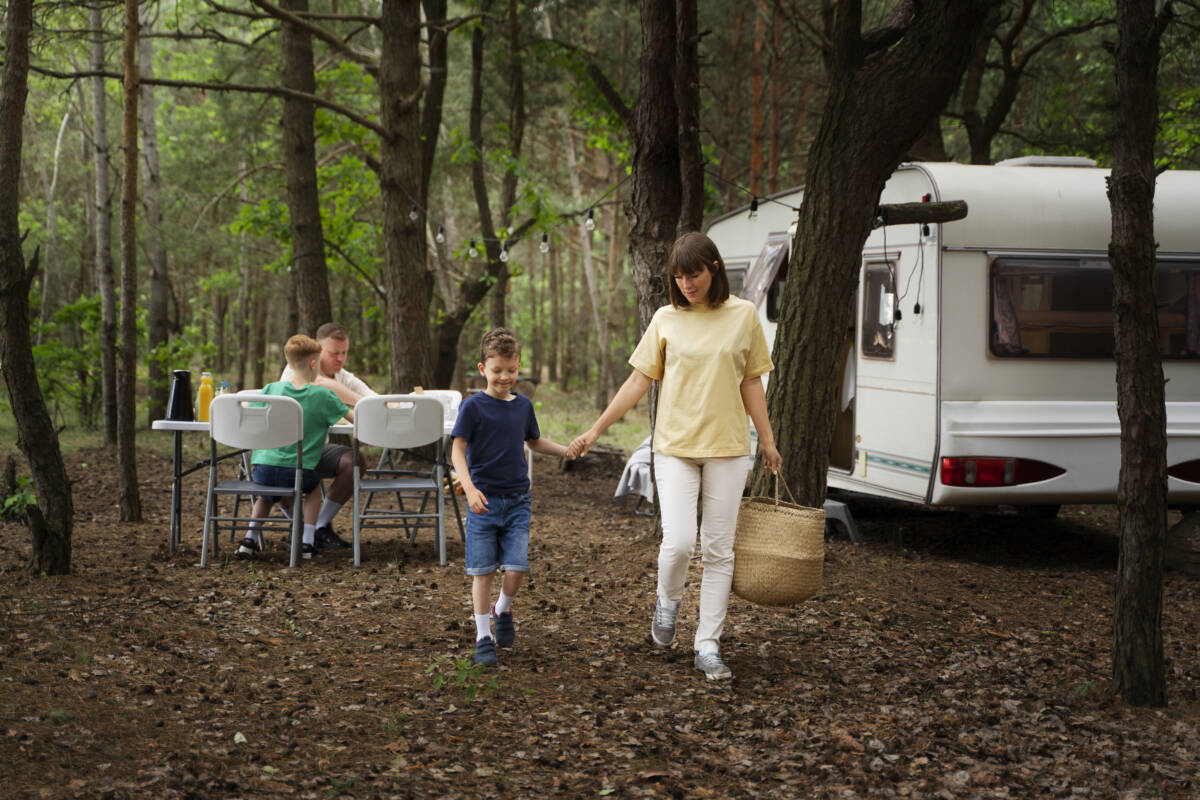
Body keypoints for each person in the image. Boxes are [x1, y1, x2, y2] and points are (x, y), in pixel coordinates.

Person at [567, 231, 782, 681]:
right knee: (680, 541)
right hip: (674, 448)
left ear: (714, 268)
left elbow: (750, 383)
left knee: (719, 550)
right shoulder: (666, 318)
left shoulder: (743, 316)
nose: (687, 283)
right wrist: (597, 428)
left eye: (695, 273)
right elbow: (637, 381)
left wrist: (767, 439)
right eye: (679, 276)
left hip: (728, 449)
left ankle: (707, 643)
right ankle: (667, 602)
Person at [450, 328, 571, 666]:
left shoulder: (523, 407)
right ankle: (483, 636)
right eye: (497, 370)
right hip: (484, 502)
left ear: (519, 367)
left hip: (517, 500)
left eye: (511, 370)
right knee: (484, 572)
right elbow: (456, 451)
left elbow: (534, 442)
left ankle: (502, 609)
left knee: (516, 569)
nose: (505, 377)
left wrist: (565, 450)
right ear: (483, 368)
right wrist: (470, 488)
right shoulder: (473, 407)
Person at [237, 335, 353, 561]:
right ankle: (308, 540)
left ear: (290, 363)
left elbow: (251, 412)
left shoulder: (271, 388)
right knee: (312, 487)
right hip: (297, 471)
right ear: (313, 364)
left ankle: (249, 539)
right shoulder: (323, 395)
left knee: (266, 493)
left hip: (263, 468)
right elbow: (353, 418)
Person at [279, 322, 374, 549]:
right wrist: (351, 399)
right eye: (334, 353)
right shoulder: (297, 370)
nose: (340, 359)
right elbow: (319, 385)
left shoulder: (343, 376)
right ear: (320, 352)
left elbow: (374, 399)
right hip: (286, 450)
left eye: (344, 353)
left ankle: (320, 525)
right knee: (279, 466)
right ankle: (300, 527)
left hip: (315, 449)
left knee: (355, 461)